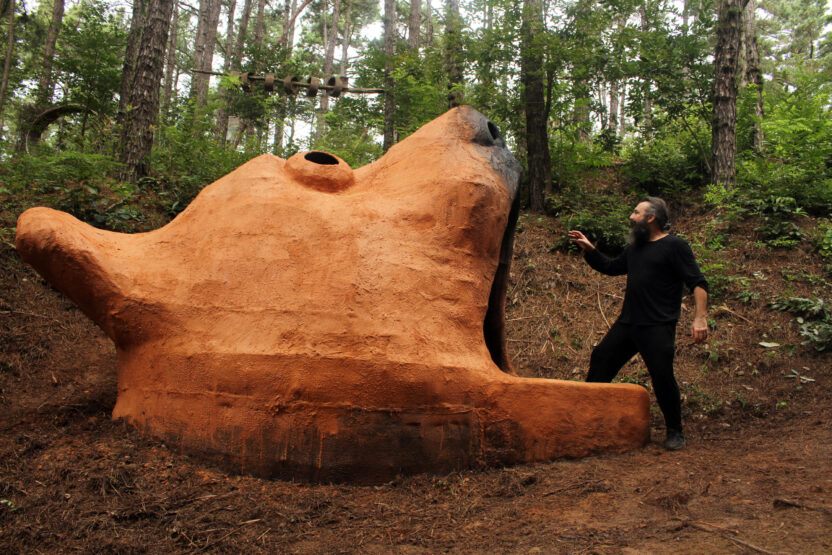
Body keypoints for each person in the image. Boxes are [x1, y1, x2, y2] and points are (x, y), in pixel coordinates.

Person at [568, 196, 708, 451]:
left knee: (662, 376)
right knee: (600, 359)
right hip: (629, 323)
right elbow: (612, 267)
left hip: (658, 325)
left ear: (650, 218)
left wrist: (700, 318)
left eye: (636, 212)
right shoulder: (636, 248)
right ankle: (585, 419)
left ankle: (675, 431)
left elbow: (697, 283)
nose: (631, 217)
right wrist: (589, 249)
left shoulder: (675, 246)